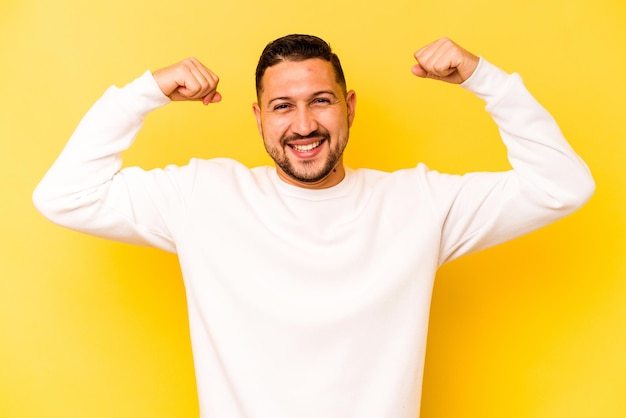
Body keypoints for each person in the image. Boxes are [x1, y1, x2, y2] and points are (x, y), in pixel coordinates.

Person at [33, 34, 595, 418]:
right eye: (282, 107)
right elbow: (64, 195)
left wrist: (484, 77)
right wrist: (145, 93)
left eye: (321, 101)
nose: (304, 125)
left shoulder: (419, 202)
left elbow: (562, 185)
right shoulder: (202, 196)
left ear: (348, 106)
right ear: (258, 117)